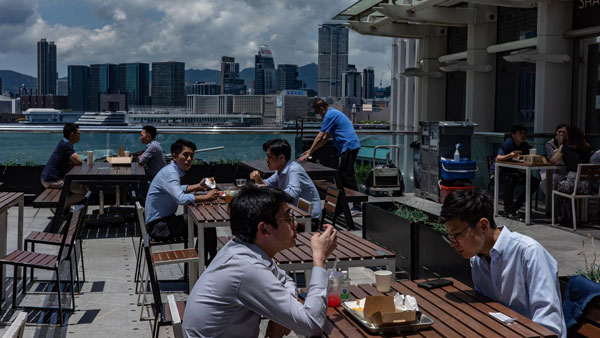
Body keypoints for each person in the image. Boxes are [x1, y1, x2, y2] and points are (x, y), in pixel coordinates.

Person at [183, 185, 337, 338]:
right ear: (264, 229)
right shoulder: (247, 268)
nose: (295, 224)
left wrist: (283, 316)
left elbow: (285, 279)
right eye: (288, 217)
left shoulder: (241, 249)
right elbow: (312, 325)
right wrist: (319, 259)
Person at [441, 188, 566, 337]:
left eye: (456, 235)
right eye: (450, 236)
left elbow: (549, 327)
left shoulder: (529, 253)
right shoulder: (478, 260)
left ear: (483, 226)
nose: (453, 243)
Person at [144, 139, 219, 264]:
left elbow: (177, 190)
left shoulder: (170, 171)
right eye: (185, 155)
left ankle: (203, 262)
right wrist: (206, 197)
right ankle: (207, 262)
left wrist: (198, 186)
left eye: (191, 156)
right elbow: (180, 198)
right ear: (174, 156)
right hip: (159, 228)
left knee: (205, 226)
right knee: (206, 225)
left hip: (161, 223)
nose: (189, 159)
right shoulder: (171, 173)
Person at [299, 99, 361, 213]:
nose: (319, 116)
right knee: (344, 175)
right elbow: (325, 138)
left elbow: (319, 136)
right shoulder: (333, 113)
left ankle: (357, 205)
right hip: (350, 146)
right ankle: (342, 206)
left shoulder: (330, 115)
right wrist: (311, 150)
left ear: (322, 109)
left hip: (348, 146)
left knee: (346, 175)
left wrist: (310, 153)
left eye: (318, 113)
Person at [250, 138, 322, 230]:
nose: (266, 159)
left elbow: (291, 195)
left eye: (269, 156)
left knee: (263, 223)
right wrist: (258, 178)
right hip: (294, 215)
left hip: (309, 221)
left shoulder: (294, 169)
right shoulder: (281, 170)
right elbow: (266, 184)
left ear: (281, 157)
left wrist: (266, 189)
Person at [491, 124, 539, 217]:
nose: (523, 135)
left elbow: (529, 155)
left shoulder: (524, 145)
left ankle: (515, 206)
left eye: (524, 133)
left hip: (514, 173)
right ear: (513, 135)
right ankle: (507, 208)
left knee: (534, 181)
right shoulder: (507, 144)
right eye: (520, 133)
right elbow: (498, 158)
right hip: (498, 173)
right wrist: (510, 155)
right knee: (510, 179)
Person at [40, 123, 87, 207]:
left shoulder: (63, 143)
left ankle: (62, 207)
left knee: (76, 185)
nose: (79, 136)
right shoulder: (66, 145)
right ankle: (60, 207)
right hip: (53, 180)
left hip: (48, 178)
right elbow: (79, 161)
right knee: (84, 191)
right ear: (72, 134)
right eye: (78, 134)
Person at [555, 127, 592, 195]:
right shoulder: (587, 148)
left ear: (570, 137)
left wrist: (560, 144)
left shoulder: (565, 149)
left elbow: (553, 161)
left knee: (556, 184)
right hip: (587, 186)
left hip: (572, 186)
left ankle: (566, 206)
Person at [541, 124, 568, 194]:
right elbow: (552, 160)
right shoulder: (550, 144)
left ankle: (556, 201)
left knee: (555, 179)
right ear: (556, 132)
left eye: (564, 132)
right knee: (546, 182)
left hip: (566, 171)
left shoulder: (570, 144)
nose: (561, 134)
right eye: (559, 131)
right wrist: (560, 144)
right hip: (553, 170)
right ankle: (553, 201)